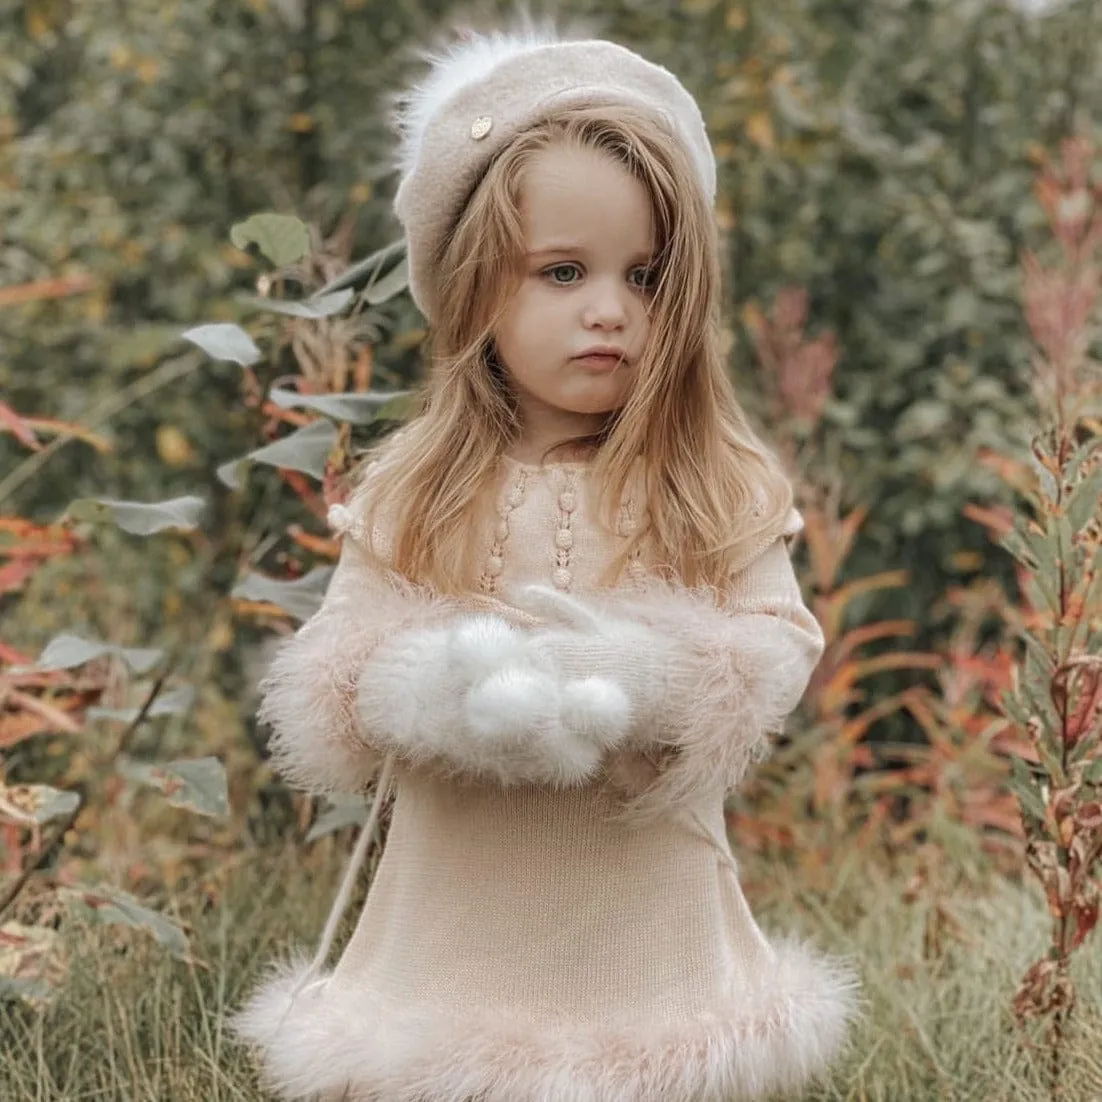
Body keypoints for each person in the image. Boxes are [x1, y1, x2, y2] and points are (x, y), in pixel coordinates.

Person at [233, 23, 860, 1102]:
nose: (611, 309)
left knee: (652, 1071)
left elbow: (776, 640)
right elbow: (335, 666)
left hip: (642, 908)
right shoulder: (417, 486)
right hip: (459, 909)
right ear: (475, 285)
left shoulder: (710, 478)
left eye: (647, 275)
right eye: (561, 271)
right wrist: (441, 690)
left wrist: (649, 672)